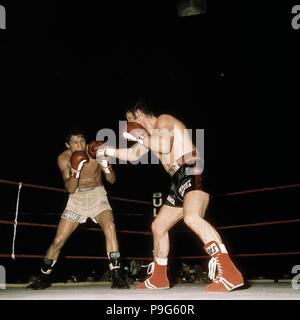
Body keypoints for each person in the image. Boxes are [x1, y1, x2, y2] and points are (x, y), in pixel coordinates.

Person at [95, 100, 244, 292]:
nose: (129, 124)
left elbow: (164, 145)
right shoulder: (150, 136)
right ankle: (159, 277)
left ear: (139, 112)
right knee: (158, 226)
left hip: (192, 169)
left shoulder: (163, 121)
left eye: (130, 119)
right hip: (178, 179)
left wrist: (139, 136)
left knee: (192, 217)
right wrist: (106, 151)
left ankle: (230, 273)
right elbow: (133, 155)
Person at [27, 129, 129, 289]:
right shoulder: (63, 158)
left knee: (110, 227)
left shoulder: (96, 150)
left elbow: (112, 180)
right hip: (77, 199)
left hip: (98, 196)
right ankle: (43, 277)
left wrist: (106, 165)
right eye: (75, 142)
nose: (80, 144)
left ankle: (116, 275)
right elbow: (70, 189)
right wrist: (75, 172)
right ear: (68, 145)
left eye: (82, 140)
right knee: (58, 240)